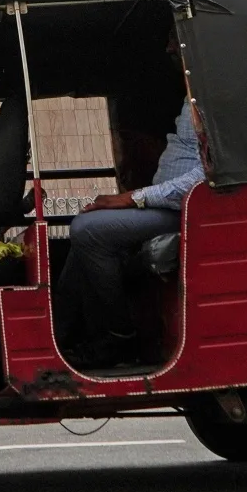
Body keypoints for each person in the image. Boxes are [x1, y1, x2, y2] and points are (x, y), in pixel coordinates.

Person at [53, 96, 206, 369]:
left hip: (189, 209)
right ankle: (61, 336)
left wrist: (132, 198)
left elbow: (204, 176)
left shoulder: (212, 93)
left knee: (88, 230)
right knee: (86, 230)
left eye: (175, 47)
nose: (171, 49)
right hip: (169, 206)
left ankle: (118, 338)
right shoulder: (193, 93)